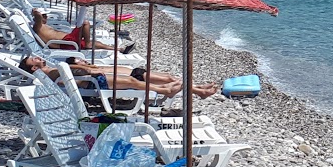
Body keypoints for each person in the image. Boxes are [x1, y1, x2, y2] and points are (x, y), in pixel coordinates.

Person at [17, 53, 219, 100]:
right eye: (32, 60)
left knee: (144, 77)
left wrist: (91, 67)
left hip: (94, 77)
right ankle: (165, 91)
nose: (36, 58)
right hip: (93, 82)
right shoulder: (49, 73)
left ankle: (197, 89)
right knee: (134, 81)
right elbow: (69, 76)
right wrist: (91, 70)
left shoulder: (50, 70)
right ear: (33, 69)